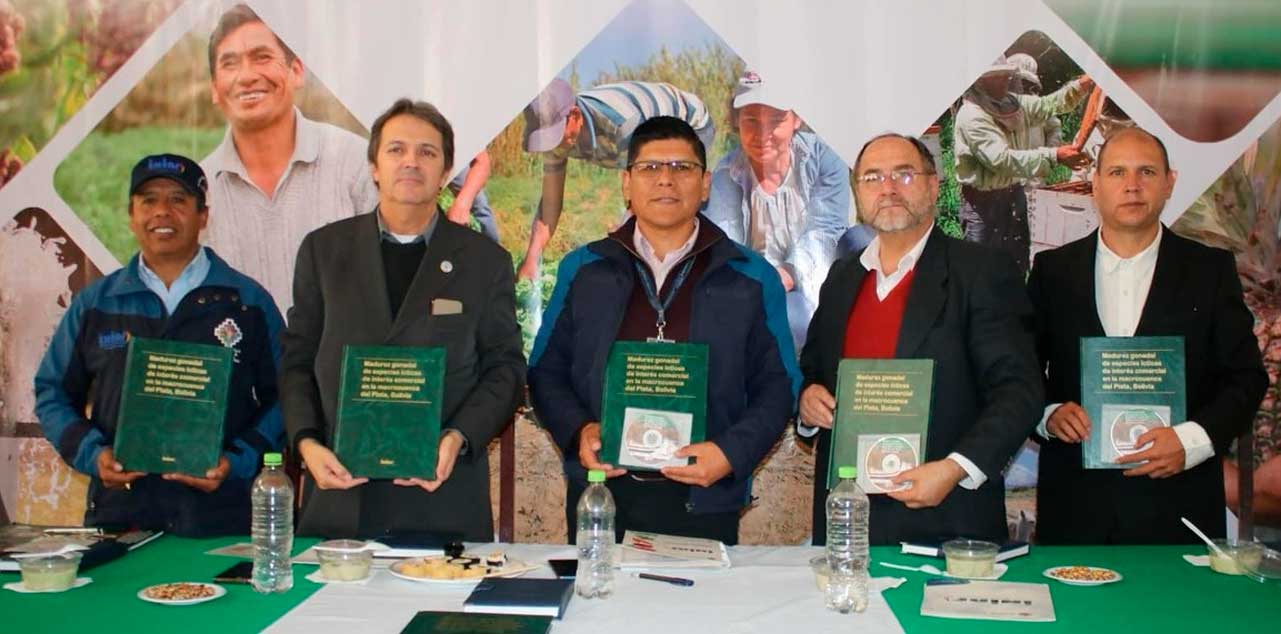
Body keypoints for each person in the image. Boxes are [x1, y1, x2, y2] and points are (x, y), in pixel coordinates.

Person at [528, 116, 797, 544]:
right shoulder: (583, 269)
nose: (666, 180)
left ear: (705, 183)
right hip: (602, 493)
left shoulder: (750, 275)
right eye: (650, 168)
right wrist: (580, 430)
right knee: (599, 609)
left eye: (682, 168)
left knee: (700, 611)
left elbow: (780, 384)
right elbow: (545, 372)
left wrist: (730, 454)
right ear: (626, 183)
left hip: (704, 496)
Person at [279, 99, 525, 539]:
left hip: (442, 497)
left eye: (427, 152)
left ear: (447, 172)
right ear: (374, 166)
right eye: (396, 150)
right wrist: (306, 443)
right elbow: (296, 360)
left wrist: (458, 438)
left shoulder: (486, 262)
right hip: (339, 494)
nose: (411, 162)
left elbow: (505, 368)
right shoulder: (323, 251)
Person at [798, 134, 1043, 545]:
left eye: (904, 174)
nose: (888, 188)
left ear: (933, 186)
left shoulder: (981, 271)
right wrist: (807, 403)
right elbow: (813, 372)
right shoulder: (842, 279)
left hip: (947, 516)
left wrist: (954, 468)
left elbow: (1019, 391)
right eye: (873, 177)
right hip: (850, 520)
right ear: (858, 192)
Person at [1028, 127, 1267, 544]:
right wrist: (1048, 415)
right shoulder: (1052, 271)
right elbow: (1023, 370)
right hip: (1076, 504)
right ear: (1095, 184)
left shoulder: (1209, 271)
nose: (1132, 185)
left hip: (1180, 503)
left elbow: (1246, 377)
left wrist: (1191, 441)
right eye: (1117, 172)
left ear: (1169, 183)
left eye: (1147, 172)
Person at [34, 154, 284, 536]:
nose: (162, 212)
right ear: (131, 215)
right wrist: (94, 455)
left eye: (178, 200)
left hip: (222, 518)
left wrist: (237, 461)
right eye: (148, 200)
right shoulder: (97, 303)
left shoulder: (247, 302)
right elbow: (52, 392)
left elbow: (286, 396)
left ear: (203, 216)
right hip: (120, 516)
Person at [199, 3, 377, 311]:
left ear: (296, 71)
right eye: (230, 64)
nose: (246, 76)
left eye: (262, 57)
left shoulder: (355, 162)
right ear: (215, 89)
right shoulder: (198, 190)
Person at [516, 78, 714, 280]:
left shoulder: (621, 123)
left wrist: (625, 230)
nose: (551, 147)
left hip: (689, 121)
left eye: (553, 136)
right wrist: (532, 259)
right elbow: (550, 202)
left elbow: (647, 182)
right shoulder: (559, 139)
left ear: (575, 117)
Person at [706, 71, 850, 350]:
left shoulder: (824, 159)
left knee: (794, 316)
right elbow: (726, 243)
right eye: (751, 121)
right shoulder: (725, 173)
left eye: (776, 121)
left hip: (811, 279)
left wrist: (783, 275)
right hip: (755, 286)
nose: (763, 135)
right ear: (736, 121)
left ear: (797, 119)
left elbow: (825, 230)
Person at [953, 56, 1094, 274]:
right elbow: (1003, 161)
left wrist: (1083, 85)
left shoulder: (1013, 102)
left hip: (1013, 196)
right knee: (981, 273)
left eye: (1005, 76)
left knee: (1016, 265)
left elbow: (1050, 105)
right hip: (982, 205)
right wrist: (1054, 155)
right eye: (995, 77)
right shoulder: (972, 116)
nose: (1003, 81)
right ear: (980, 81)